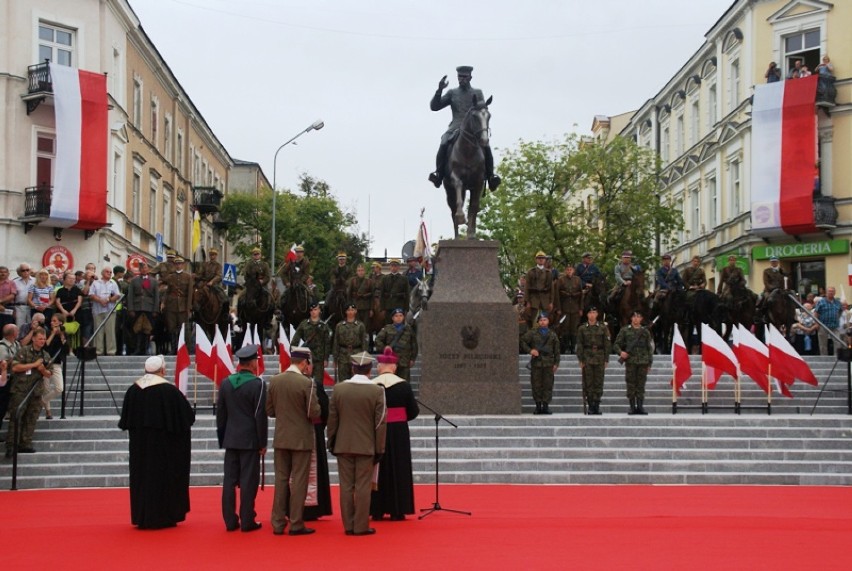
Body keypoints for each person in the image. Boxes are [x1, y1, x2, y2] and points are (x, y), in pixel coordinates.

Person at [118, 355, 195, 529]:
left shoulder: (133, 390)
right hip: (165, 450)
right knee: (162, 479)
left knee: (142, 478)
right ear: (162, 370)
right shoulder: (169, 391)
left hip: (140, 449)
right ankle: (165, 515)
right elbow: (187, 418)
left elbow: (126, 421)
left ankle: (142, 515)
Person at [327, 351, 387, 536]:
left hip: (343, 444)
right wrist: (379, 448)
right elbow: (380, 423)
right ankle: (360, 526)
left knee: (346, 486)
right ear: (370, 370)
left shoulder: (339, 389)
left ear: (353, 368)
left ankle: (348, 525)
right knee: (362, 486)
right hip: (366, 445)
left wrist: (332, 441)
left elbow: (333, 419)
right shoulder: (377, 391)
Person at [266, 346, 321, 536]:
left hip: (281, 437)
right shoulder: (306, 383)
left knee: (281, 480)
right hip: (301, 439)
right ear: (304, 363)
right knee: (299, 481)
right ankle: (296, 522)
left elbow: (270, 410)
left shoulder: (275, 380)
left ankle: (278, 522)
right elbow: (314, 412)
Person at [217, 344, 268, 532]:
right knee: (248, 481)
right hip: (250, 440)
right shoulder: (258, 384)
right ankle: (247, 520)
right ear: (253, 362)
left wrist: (223, 438)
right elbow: (259, 416)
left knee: (229, 481)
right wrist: (262, 443)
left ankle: (230, 521)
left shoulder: (225, 383)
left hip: (231, 439)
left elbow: (220, 415)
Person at [428, 65, 500, 191]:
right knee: (444, 142)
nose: (462, 79)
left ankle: (491, 177)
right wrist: (439, 90)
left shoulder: (477, 93)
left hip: (473, 129)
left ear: (470, 77)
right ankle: (438, 174)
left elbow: (482, 110)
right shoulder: (452, 93)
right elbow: (434, 107)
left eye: (464, 77)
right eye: (460, 77)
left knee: (486, 146)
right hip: (455, 127)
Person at [370, 347, 419, 521]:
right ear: (394, 367)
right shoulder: (404, 386)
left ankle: (376, 509)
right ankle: (398, 509)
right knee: (399, 468)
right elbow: (413, 411)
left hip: (377, 430)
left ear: (381, 366)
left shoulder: (372, 385)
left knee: (377, 469)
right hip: (398, 433)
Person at [613, 310, 653, 415]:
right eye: (634, 316)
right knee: (631, 384)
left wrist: (649, 363)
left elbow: (649, 348)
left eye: (638, 317)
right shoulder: (625, 330)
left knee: (641, 385)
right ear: (631, 318)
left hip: (643, 362)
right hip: (630, 362)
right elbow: (616, 344)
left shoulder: (645, 332)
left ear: (641, 319)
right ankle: (632, 407)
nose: (636, 319)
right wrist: (621, 353)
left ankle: (640, 407)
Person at [520, 312, 560, 414]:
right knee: (536, 384)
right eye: (541, 320)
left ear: (548, 321)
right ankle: (538, 406)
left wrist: (556, 363)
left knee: (548, 384)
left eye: (544, 320)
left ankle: (546, 406)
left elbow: (557, 350)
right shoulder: (532, 333)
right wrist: (530, 350)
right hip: (537, 363)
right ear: (538, 322)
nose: (543, 322)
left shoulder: (552, 334)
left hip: (548, 363)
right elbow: (523, 341)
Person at [576, 307, 611, 415]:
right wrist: (580, 359)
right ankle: (590, 405)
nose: (592, 315)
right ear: (587, 315)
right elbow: (580, 344)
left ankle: (597, 405)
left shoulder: (603, 327)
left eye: (594, 312)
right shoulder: (582, 328)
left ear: (597, 314)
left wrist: (606, 359)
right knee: (588, 382)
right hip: (587, 357)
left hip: (600, 357)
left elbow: (607, 344)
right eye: (590, 313)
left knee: (598, 382)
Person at [292, 302, 332, 387]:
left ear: (319, 311)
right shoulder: (304, 324)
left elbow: (327, 343)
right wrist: (293, 352)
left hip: (319, 358)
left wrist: (326, 358)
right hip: (305, 359)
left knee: (318, 384)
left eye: (315, 309)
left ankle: (317, 400)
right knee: (305, 383)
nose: (313, 312)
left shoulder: (324, 326)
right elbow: (296, 338)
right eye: (311, 310)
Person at [375, 308, 418, 381]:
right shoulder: (387, 328)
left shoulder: (409, 329)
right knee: (391, 382)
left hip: (404, 360)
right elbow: (378, 340)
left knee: (404, 382)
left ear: (403, 317)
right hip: (391, 360)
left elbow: (414, 344)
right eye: (396, 316)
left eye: (401, 316)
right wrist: (385, 348)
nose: (398, 318)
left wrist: (412, 359)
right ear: (392, 318)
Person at [126, 261, 159, 356]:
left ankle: (145, 349)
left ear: (148, 269)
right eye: (141, 268)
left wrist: (155, 309)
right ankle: (137, 349)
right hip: (137, 307)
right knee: (137, 329)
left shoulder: (153, 281)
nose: (143, 270)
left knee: (147, 330)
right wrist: (131, 309)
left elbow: (156, 296)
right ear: (139, 270)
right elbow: (130, 295)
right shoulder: (134, 280)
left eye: (145, 268)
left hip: (149, 308)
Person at [162, 257, 192, 354]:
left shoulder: (188, 277)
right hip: (171, 305)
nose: (178, 265)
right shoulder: (171, 277)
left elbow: (190, 293)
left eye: (180, 264)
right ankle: (173, 348)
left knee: (183, 328)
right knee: (171, 328)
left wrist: (189, 308)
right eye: (176, 264)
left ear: (183, 265)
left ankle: (183, 348)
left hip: (183, 306)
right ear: (174, 265)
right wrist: (163, 302)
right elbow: (167, 292)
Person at [89, 266, 121, 356]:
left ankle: (111, 351)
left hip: (110, 309)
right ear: (102, 273)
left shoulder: (113, 283)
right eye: (107, 272)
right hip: (97, 310)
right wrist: (100, 300)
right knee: (98, 331)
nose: (109, 273)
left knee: (110, 331)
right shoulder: (95, 283)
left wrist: (108, 300)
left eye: (111, 272)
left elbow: (117, 295)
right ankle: (98, 351)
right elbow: (91, 295)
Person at [333, 303, 368, 382]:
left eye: (352, 310)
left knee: (356, 380)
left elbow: (364, 342)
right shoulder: (340, 325)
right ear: (346, 312)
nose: (350, 312)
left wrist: (364, 358)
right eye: (348, 310)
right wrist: (335, 358)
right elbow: (336, 342)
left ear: (355, 311)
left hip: (356, 354)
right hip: (343, 355)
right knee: (343, 380)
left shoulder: (360, 325)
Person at [42, 313, 68, 419]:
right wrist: (53, 333)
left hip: (56, 363)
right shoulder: (47, 332)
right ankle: (48, 411)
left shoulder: (63, 333)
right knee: (46, 388)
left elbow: (65, 349)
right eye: (52, 321)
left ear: (60, 322)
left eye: (55, 321)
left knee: (59, 388)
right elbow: (46, 345)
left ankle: (42, 401)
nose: (52, 323)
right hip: (46, 363)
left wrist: (61, 334)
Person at [555, 265, 583, 352]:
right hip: (564, 308)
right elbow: (557, 295)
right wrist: (558, 308)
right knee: (565, 327)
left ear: (573, 270)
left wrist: (581, 308)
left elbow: (581, 295)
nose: (569, 271)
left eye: (571, 269)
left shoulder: (577, 280)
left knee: (574, 328)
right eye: (567, 269)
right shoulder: (561, 280)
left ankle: (573, 347)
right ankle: (566, 347)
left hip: (575, 308)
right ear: (565, 271)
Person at [0, 323, 21, 432]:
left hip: (15, 379)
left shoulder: (16, 344)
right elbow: (4, 363)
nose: (18, 333)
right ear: (13, 333)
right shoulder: (2, 346)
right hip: (4, 380)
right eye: (17, 331)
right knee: (2, 406)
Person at [525, 251, 554, 326]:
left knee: (545, 321)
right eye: (539, 258)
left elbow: (551, 288)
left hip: (545, 300)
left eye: (543, 258)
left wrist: (551, 302)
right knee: (535, 321)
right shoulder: (530, 272)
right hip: (534, 300)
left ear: (545, 260)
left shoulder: (548, 273)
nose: (541, 259)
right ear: (536, 260)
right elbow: (527, 288)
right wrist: (527, 302)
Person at [814, 286, 843, 356]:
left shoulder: (838, 302)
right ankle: (824, 358)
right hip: (823, 325)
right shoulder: (821, 302)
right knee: (823, 344)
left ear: (835, 293)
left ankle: (836, 358)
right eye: (829, 291)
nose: (831, 292)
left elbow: (840, 311)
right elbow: (816, 313)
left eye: (832, 291)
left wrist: (836, 318)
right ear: (826, 293)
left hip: (835, 325)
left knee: (838, 342)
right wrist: (816, 323)